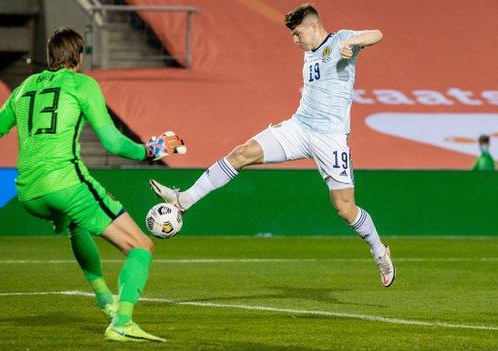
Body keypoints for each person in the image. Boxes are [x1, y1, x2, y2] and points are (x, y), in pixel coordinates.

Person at [0, 27, 186, 342]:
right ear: (80, 56)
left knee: (77, 225)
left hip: (29, 193)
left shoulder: (24, 88)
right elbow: (113, 143)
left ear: (50, 57)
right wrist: (149, 152)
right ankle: (122, 322)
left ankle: (104, 299)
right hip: (66, 183)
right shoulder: (83, 84)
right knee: (141, 247)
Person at [150, 3, 395, 287]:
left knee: (344, 208)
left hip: (331, 138)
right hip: (300, 127)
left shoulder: (340, 40)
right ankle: (183, 201)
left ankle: (379, 250)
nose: (294, 40)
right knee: (241, 153)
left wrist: (352, 42)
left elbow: (377, 34)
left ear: (313, 26)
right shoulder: (309, 54)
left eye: (297, 33)